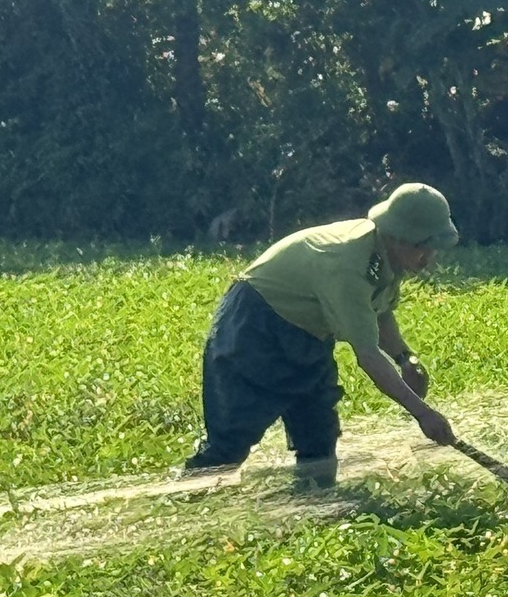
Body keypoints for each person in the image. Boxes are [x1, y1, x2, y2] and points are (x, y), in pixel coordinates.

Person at [182, 183, 459, 487]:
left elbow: (380, 312)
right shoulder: (348, 265)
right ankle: (183, 499)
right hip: (256, 328)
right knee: (231, 442)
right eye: (423, 246)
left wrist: (405, 358)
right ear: (397, 236)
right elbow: (367, 356)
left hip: (309, 337)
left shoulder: (386, 257)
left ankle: (312, 506)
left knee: (318, 436)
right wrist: (423, 414)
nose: (429, 257)